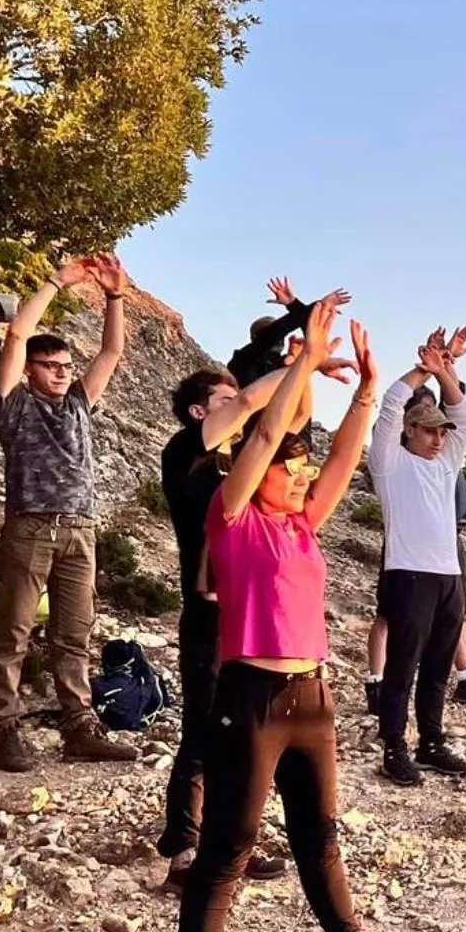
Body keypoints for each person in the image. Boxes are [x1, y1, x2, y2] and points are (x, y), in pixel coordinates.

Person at [169, 303, 413, 932]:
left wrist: (369, 390)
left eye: (303, 469)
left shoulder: (302, 523)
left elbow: (340, 457)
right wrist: (303, 360)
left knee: (320, 838)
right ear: (257, 469)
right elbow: (268, 430)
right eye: (290, 467)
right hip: (252, 699)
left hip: (313, 700)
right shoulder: (231, 517)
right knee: (230, 846)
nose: (302, 473)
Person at [156, 285, 352, 884]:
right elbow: (250, 406)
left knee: (235, 735)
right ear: (199, 411)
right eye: (219, 399)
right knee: (201, 729)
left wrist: (307, 366)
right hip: (209, 612)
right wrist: (298, 361)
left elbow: (290, 419)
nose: (235, 401)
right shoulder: (184, 454)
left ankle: (226, 841)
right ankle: (184, 850)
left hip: (243, 616)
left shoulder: (240, 464)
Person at [0, 254, 142, 772]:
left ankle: (78, 728)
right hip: (30, 527)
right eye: (51, 366)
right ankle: (3, 729)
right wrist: (56, 281)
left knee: (74, 635)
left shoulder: (78, 403)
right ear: (29, 371)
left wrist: (115, 296)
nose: (61, 374)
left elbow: (112, 352)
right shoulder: (15, 403)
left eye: (66, 366)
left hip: (80, 531)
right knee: (14, 633)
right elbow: (14, 336)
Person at [371, 328, 466, 784]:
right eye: (429, 431)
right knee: (402, 667)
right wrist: (423, 370)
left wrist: (445, 366)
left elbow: (465, 414)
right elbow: (392, 402)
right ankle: (394, 748)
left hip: (447, 576)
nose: (438, 439)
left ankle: (431, 742)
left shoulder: (447, 462)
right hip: (408, 575)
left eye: (441, 432)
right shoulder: (390, 463)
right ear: (411, 431)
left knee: (437, 666)